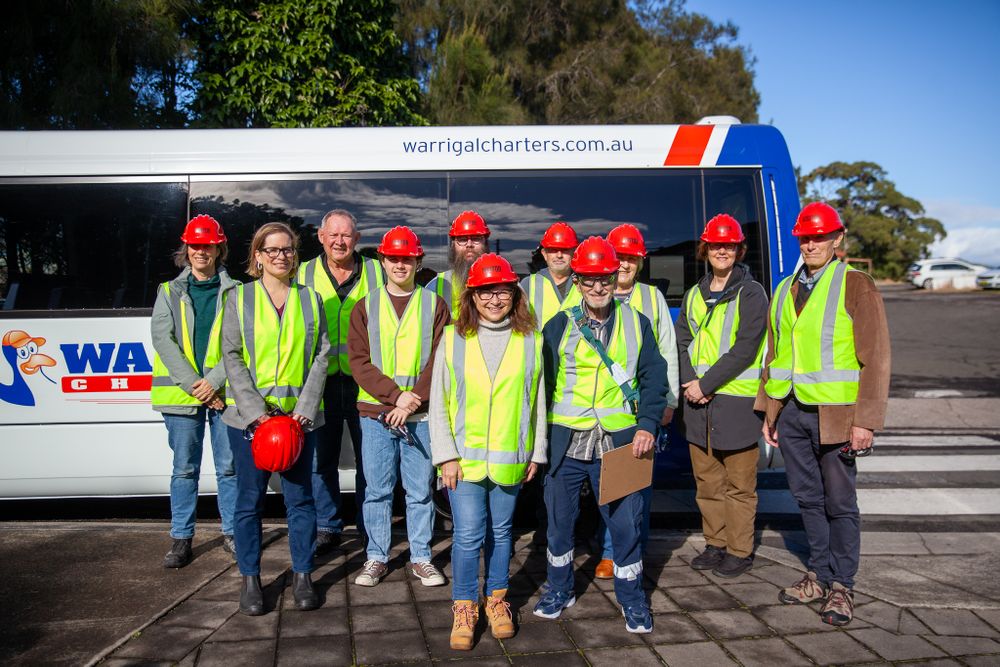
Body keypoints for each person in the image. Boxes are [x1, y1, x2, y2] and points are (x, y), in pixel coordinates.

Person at [757, 202, 890, 626]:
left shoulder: (856, 284)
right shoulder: (784, 289)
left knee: (840, 502)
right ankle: (817, 573)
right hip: (793, 412)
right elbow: (774, 355)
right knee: (808, 499)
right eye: (805, 237)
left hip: (836, 416)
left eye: (819, 236)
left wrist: (865, 421)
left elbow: (876, 357)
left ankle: (842, 586)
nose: (811, 243)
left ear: (837, 239)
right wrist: (770, 411)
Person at [535, 236, 666, 634]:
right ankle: (560, 590)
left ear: (615, 277)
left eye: (604, 278)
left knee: (626, 525)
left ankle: (632, 600)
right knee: (559, 524)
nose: (597, 287)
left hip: (621, 441)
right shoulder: (557, 325)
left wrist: (647, 424)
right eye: (588, 279)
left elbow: (654, 378)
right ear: (576, 282)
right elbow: (543, 385)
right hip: (567, 442)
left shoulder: (637, 322)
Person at [429, 253, 546, 651]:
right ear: (472, 296)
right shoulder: (452, 337)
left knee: (501, 534)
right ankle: (464, 606)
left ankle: (496, 600)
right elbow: (438, 402)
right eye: (485, 292)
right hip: (464, 461)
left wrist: (537, 452)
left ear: (515, 294)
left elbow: (537, 403)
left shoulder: (532, 339)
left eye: (502, 291)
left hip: (511, 457)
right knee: (466, 536)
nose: (494, 300)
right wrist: (444, 455)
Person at [219, 222, 331, 615]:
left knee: (301, 501)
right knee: (248, 503)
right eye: (272, 250)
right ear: (258, 257)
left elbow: (322, 353)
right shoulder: (238, 298)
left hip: (299, 422)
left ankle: (303, 575)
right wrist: (256, 413)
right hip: (249, 424)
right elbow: (230, 355)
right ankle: (250, 579)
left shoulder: (310, 298)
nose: (281, 256)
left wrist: (305, 408)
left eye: (287, 249)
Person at [347, 226, 450, 588]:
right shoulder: (365, 306)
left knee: (420, 490)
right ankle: (377, 557)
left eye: (407, 258)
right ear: (383, 261)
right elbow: (358, 362)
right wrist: (396, 396)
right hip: (376, 415)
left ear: (418, 260)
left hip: (419, 416)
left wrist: (413, 401)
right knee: (377, 489)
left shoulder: (435, 304)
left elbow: (441, 359)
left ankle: (421, 556)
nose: (400, 264)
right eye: (393, 258)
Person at [676, 214, 767, 579]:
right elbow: (681, 341)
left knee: (740, 487)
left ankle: (739, 550)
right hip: (699, 404)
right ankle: (715, 543)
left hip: (736, 405)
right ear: (706, 249)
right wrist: (690, 382)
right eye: (716, 245)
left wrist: (705, 384)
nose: (722, 251)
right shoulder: (695, 293)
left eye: (729, 245)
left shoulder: (752, 292)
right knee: (708, 483)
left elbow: (746, 347)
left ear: (739, 249)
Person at [589, 223, 679, 579]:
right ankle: (610, 551)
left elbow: (667, 351)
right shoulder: (593, 295)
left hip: (637, 412)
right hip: (596, 412)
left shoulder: (651, 297)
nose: (624, 264)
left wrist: (667, 401)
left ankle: (628, 554)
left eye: (631, 258)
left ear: (640, 262)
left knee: (635, 486)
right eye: (620, 257)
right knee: (604, 487)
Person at [151, 214, 238, 569]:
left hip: (224, 393)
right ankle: (181, 539)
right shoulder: (168, 291)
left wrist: (214, 382)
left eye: (208, 245)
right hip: (183, 396)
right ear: (186, 249)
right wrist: (197, 386)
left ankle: (232, 533)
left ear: (219, 248)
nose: (201, 251)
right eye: (195, 245)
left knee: (229, 468)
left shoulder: (237, 291)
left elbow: (240, 341)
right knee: (184, 469)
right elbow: (163, 341)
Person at [298, 209, 384, 554]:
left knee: (370, 461)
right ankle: (328, 526)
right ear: (320, 237)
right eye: (332, 234)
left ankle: (369, 528)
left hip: (366, 381)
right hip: (320, 383)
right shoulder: (303, 272)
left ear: (357, 239)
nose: (339, 241)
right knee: (322, 459)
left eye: (346, 235)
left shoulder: (377, 271)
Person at [426, 210, 490, 319]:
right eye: (462, 239)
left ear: (485, 243)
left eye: (476, 239)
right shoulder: (436, 285)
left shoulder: (507, 284)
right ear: (453, 245)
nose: (469, 245)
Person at [520, 221, 582, 329]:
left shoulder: (587, 284)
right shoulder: (528, 285)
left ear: (574, 253)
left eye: (565, 250)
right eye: (553, 250)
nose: (559, 255)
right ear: (544, 254)